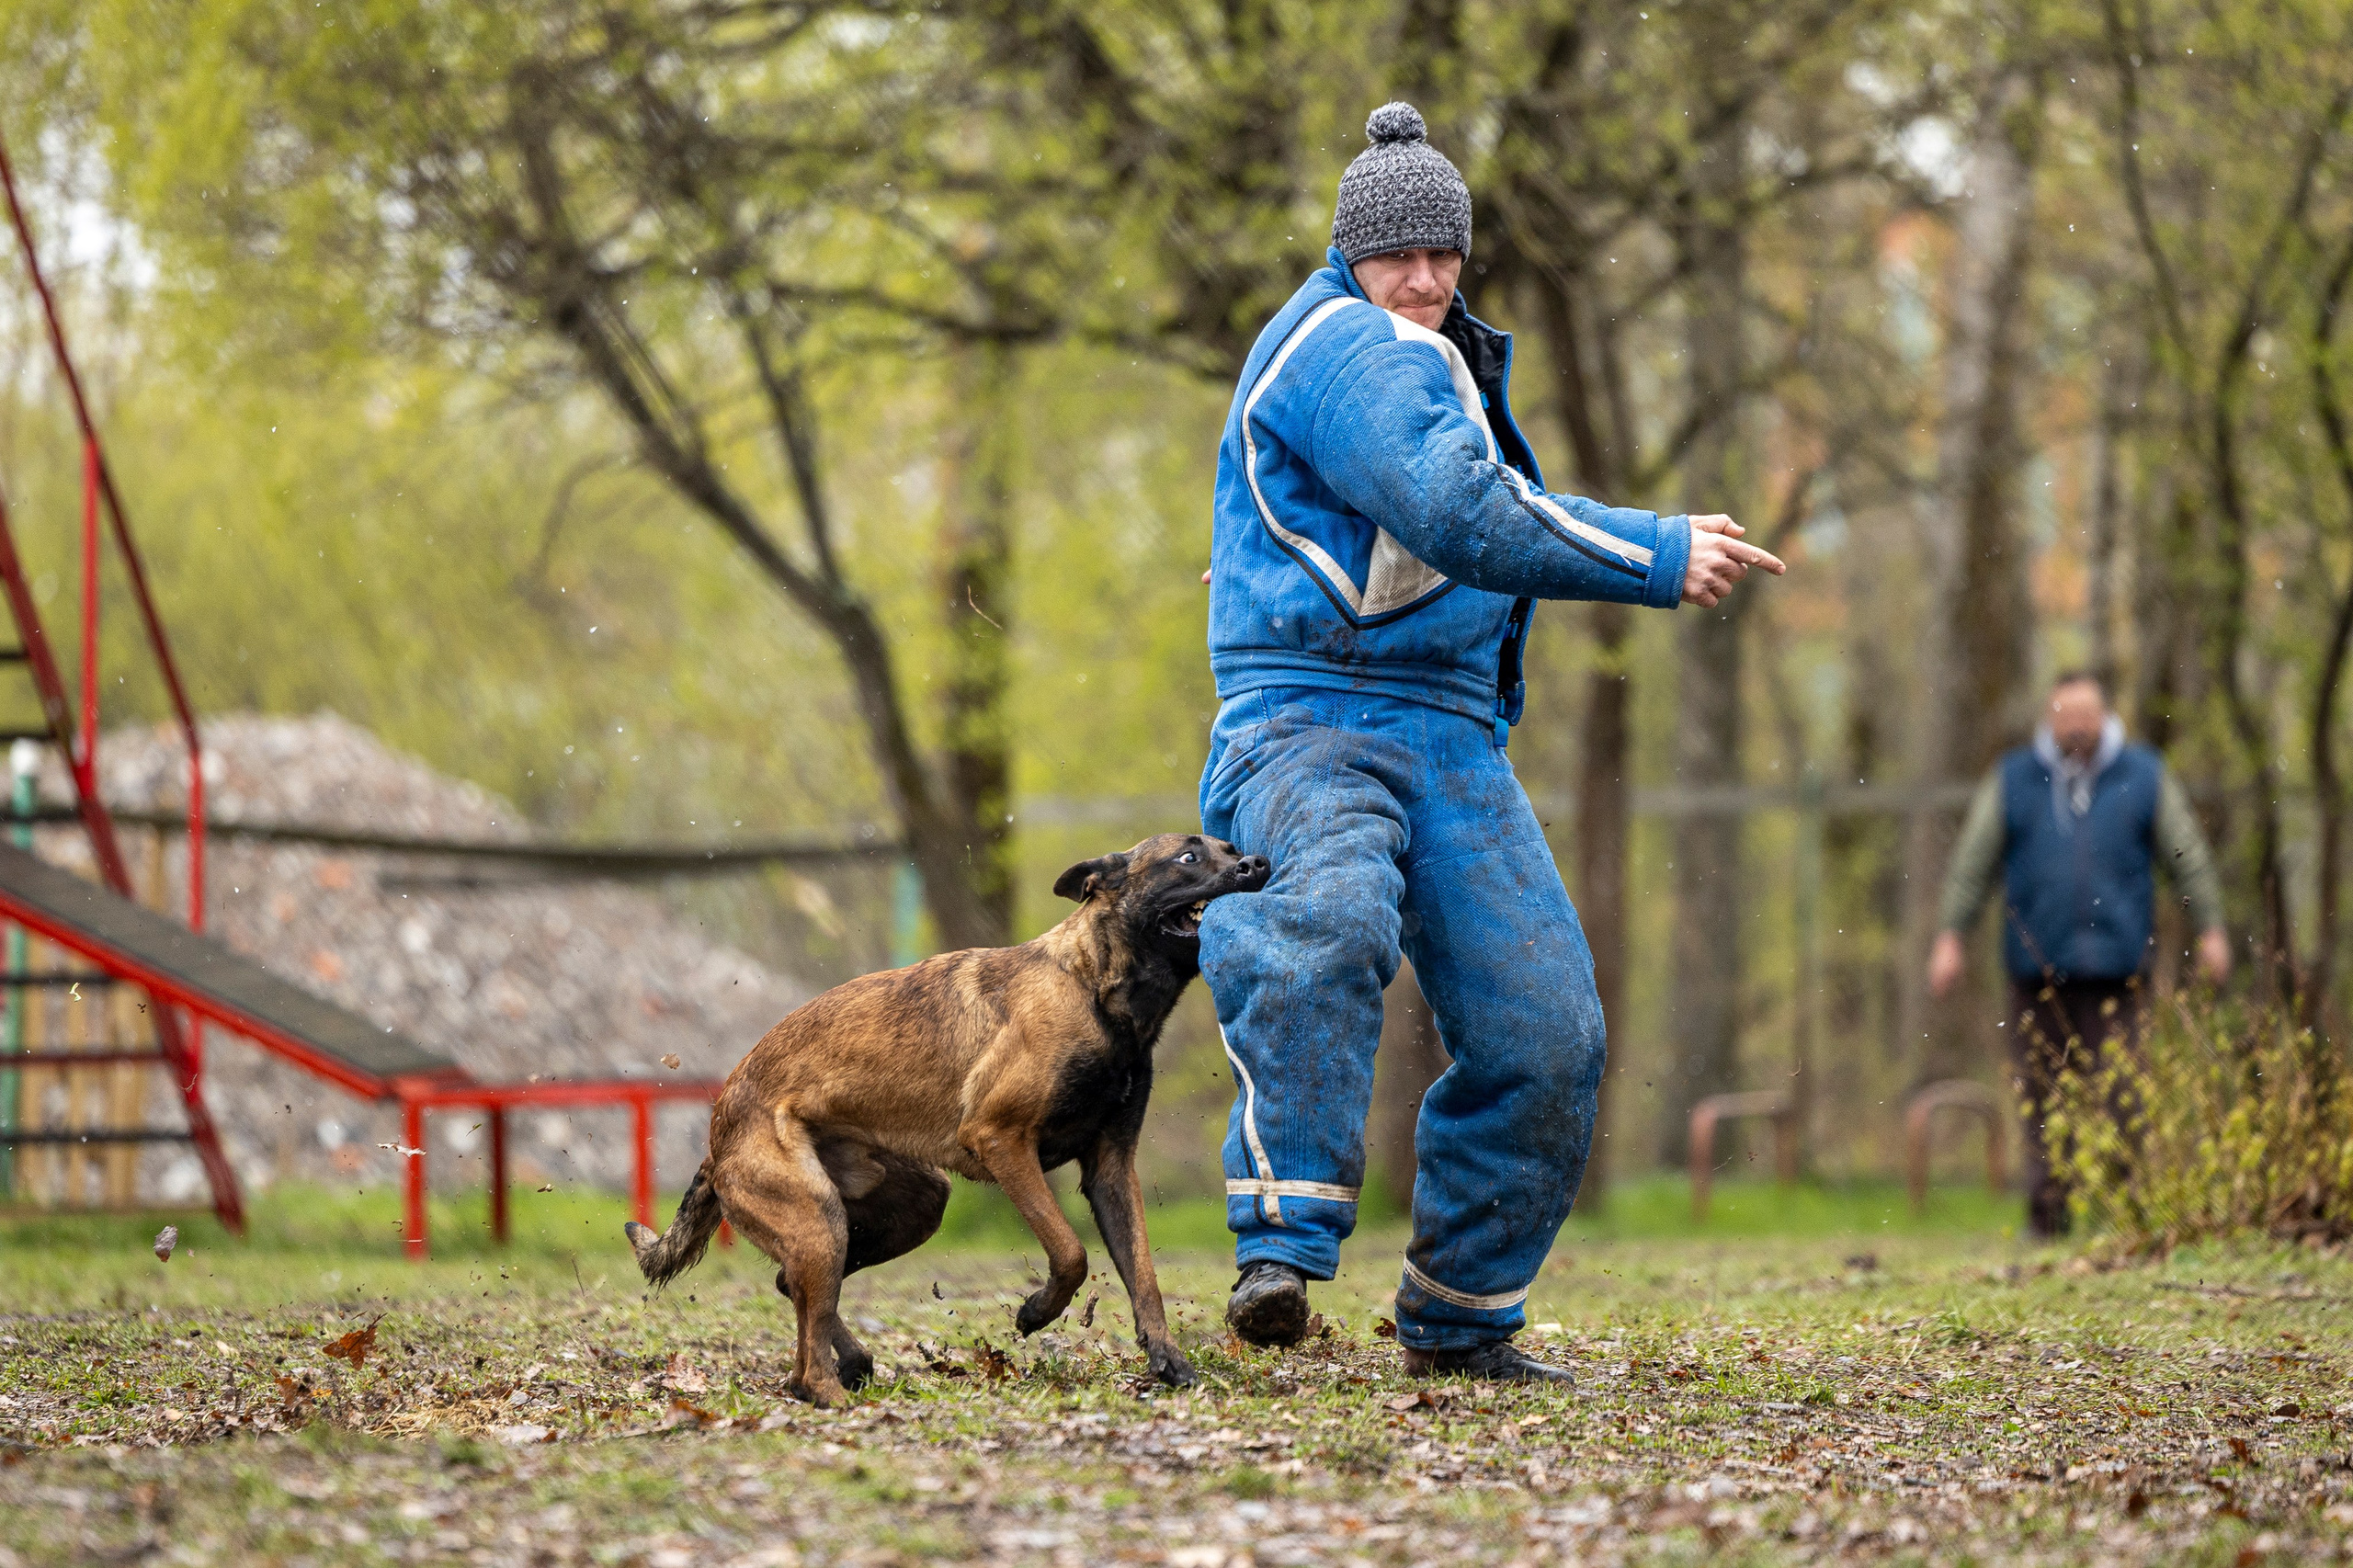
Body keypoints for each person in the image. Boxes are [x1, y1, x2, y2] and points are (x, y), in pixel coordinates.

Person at [1198, 102, 1782, 1381]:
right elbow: (1459, 513)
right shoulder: (1335, 348)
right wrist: (1656, 549)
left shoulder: (1444, 353)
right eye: (1399, 253)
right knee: (1327, 919)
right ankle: (1283, 1237)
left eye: (1444, 254)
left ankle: (1463, 1313)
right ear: (1351, 252)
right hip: (1306, 721)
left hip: (1453, 735)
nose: (1425, 278)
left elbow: (1475, 523)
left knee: (1547, 1032)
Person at [1927, 670, 2229, 1236]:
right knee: (2041, 1098)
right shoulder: (2015, 778)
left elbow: (2187, 857)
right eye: (2067, 717)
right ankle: (2047, 1216)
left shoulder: (2143, 776)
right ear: (2050, 718)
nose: (2077, 728)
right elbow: (1973, 862)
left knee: (2124, 1097)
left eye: (2087, 716)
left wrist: (2210, 927)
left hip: (2119, 969)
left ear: (2105, 716)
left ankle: (2126, 1218)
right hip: (2034, 968)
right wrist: (1951, 936)